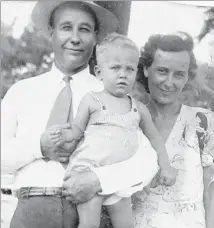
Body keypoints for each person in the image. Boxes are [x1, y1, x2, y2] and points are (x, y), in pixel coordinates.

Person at [1, 1, 159, 228]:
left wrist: (99, 180)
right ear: (51, 32)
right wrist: (39, 147)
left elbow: (147, 160)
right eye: (66, 27)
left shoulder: (113, 95)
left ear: (95, 37)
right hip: (32, 212)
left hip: (92, 211)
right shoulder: (21, 92)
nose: (75, 38)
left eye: (84, 29)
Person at [49, 33, 177, 228]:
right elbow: (76, 130)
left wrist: (166, 166)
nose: (123, 74)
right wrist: (66, 135)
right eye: (115, 68)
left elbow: (156, 139)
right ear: (99, 72)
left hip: (118, 179)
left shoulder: (138, 108)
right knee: (89, 225)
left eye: (129, 69)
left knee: (126, 225)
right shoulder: (93, 100)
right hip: (87, 170)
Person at [132, 33, 214, 228]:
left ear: (187, 77)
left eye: (179, 74)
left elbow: (211, 192)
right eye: (162, 71)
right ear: (145, 69)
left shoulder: (202, 121)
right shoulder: (130, 119)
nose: (169, 83)